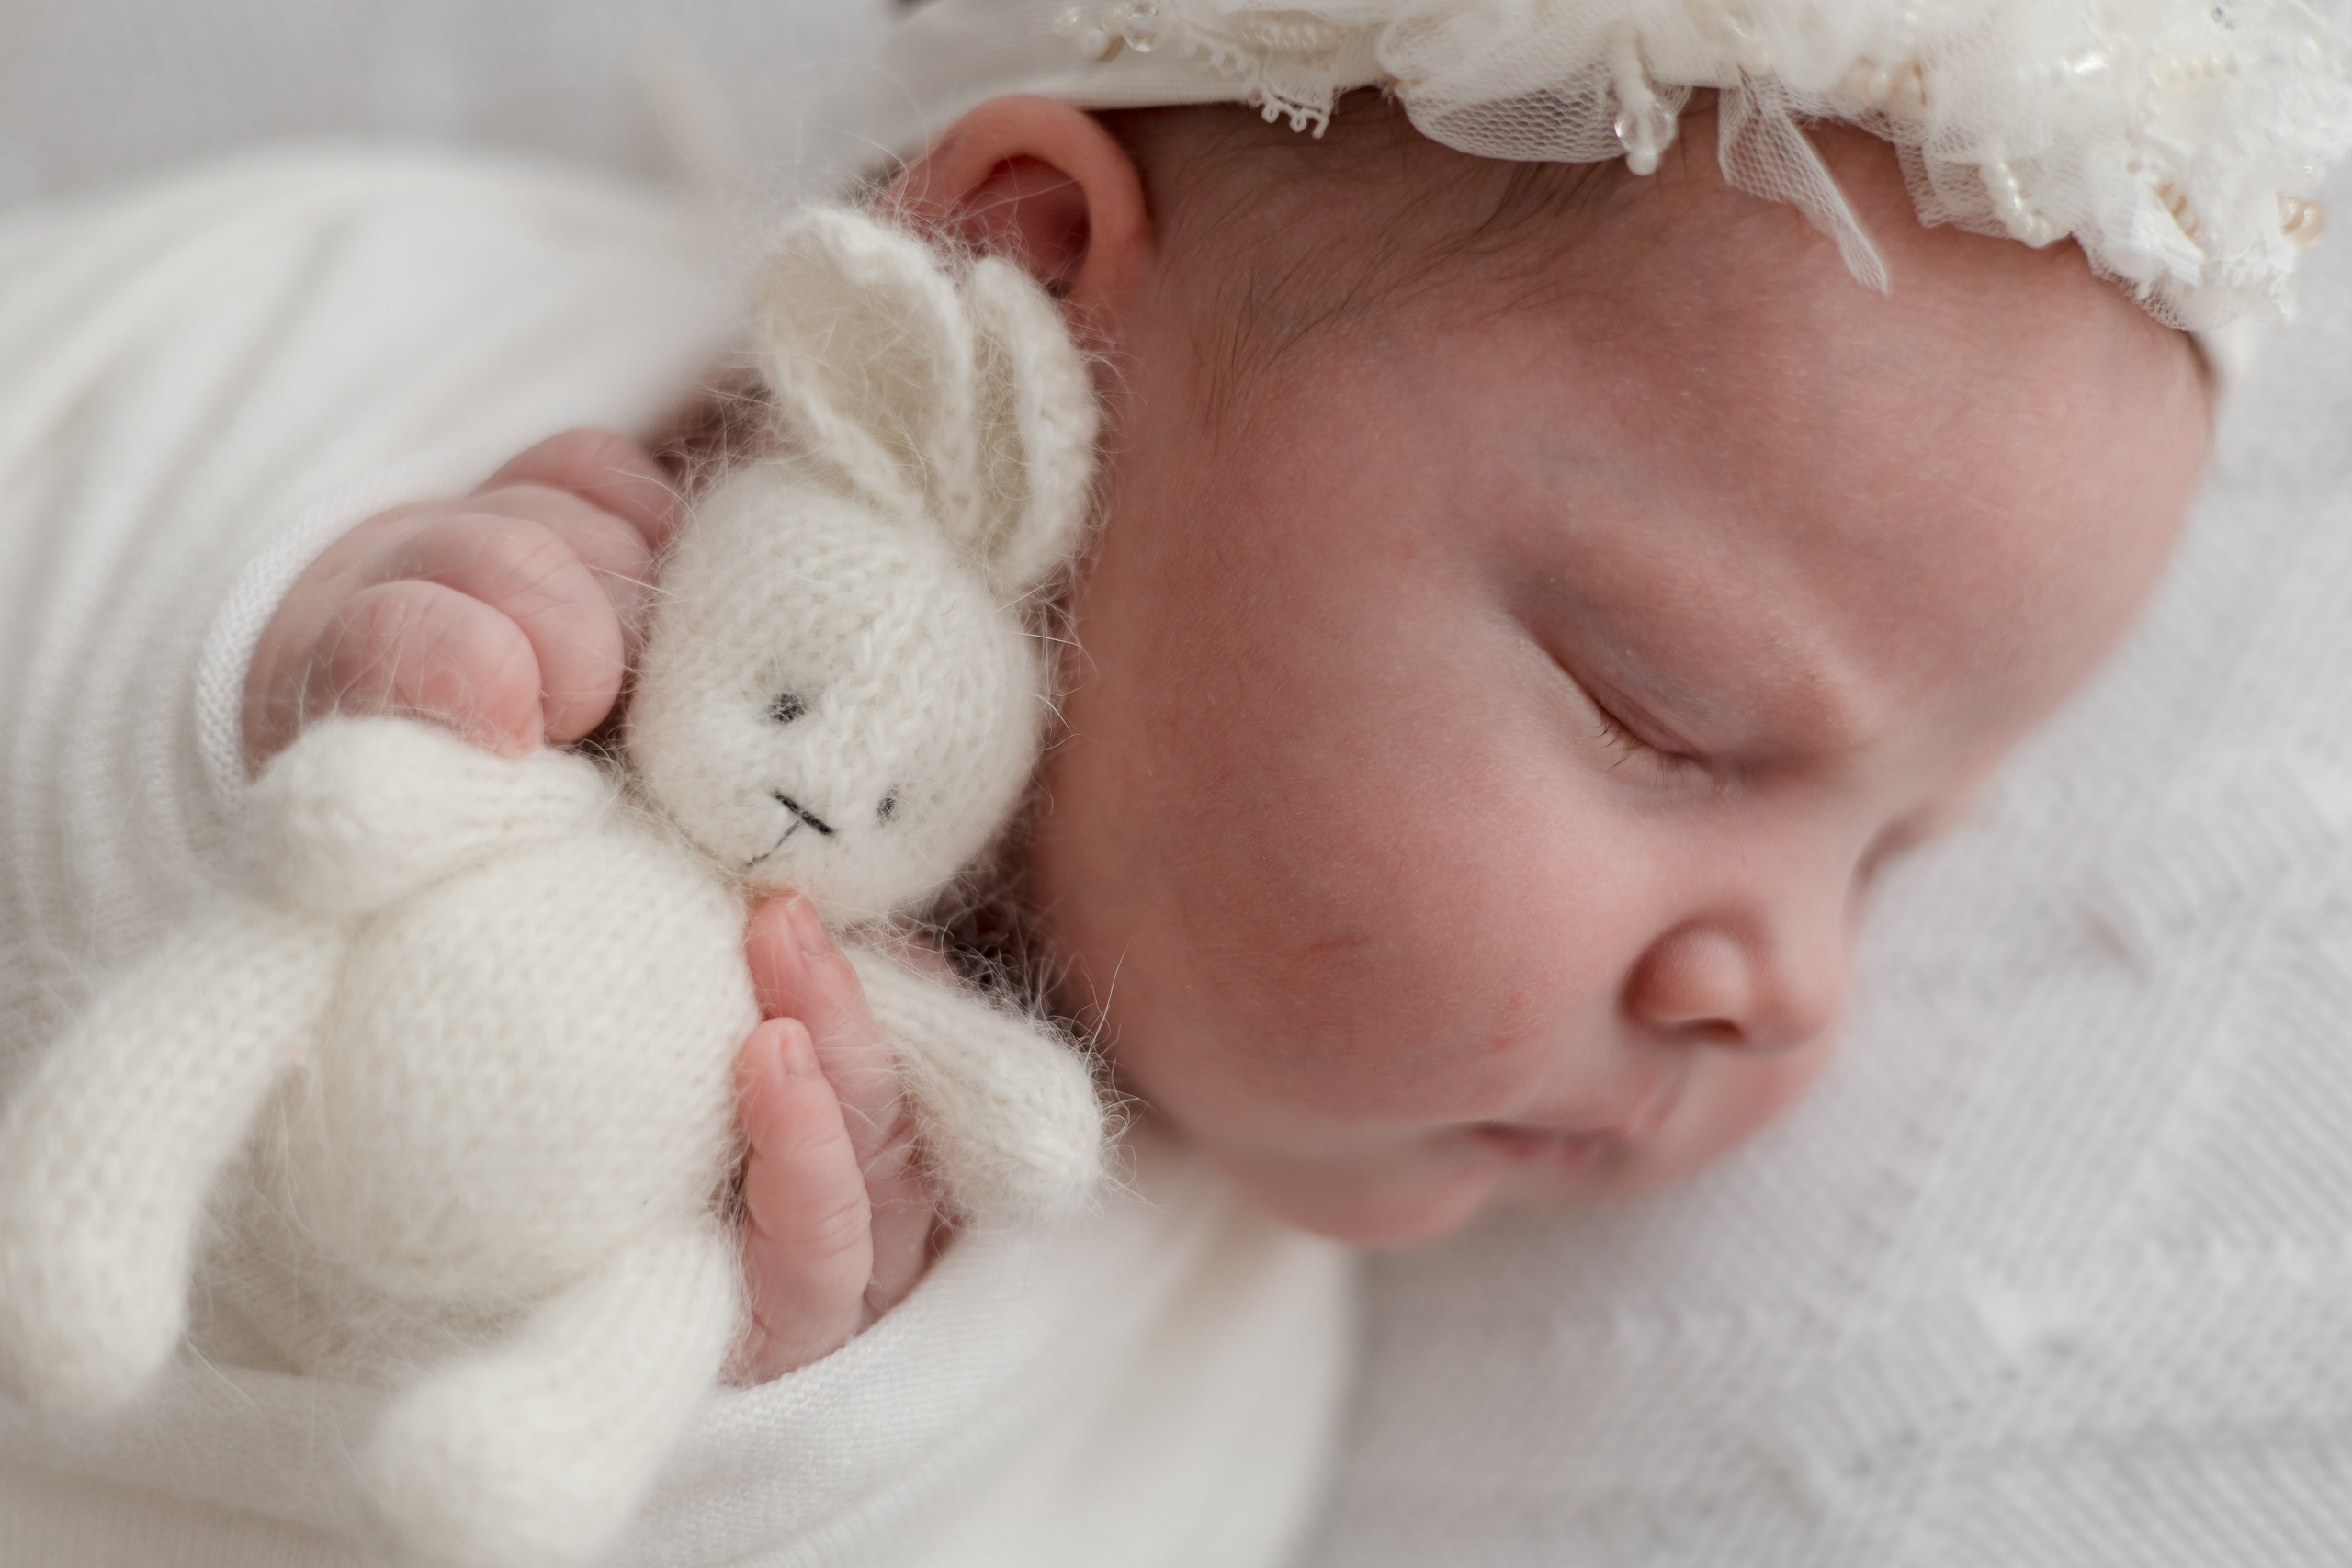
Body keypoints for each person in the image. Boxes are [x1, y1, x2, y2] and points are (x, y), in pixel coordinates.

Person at [0, 1, 2343, 1563]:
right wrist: (288, 704)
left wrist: (794, 1387)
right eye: (1669, 720)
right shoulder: (429, 342)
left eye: (1901, 843)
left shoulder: (1205, 1344)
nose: (1785, 982)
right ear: (1027, 275)